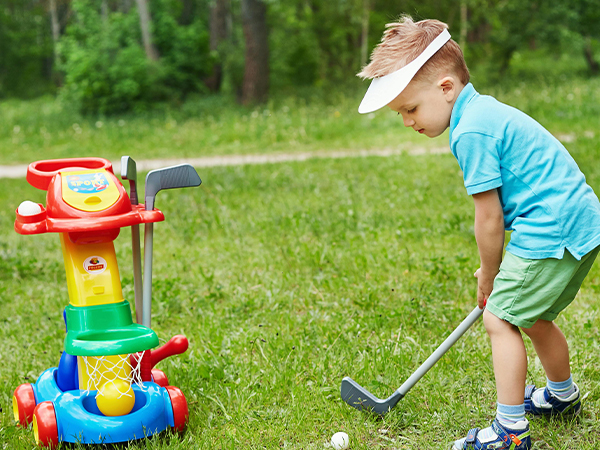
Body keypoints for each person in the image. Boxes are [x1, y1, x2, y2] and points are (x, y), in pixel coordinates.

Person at [357, 16, 600, 450]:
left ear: (446, 87)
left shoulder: (470, 130)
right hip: (578, 222)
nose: (407, 122)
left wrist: (489, 274)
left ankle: (510, 432)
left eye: (410, 108)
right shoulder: (484, 112)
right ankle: (561, 397)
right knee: (534, 315)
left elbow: (489, 219)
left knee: (500, 317)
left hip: (551, 229)